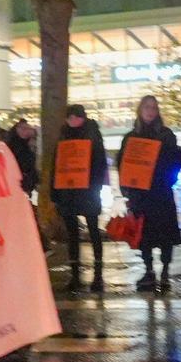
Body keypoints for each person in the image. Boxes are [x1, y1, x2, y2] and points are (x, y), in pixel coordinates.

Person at [119, 94, 181, 292]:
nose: (150, 110)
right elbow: (123, 165)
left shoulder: (166, 135)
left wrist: (168, 179)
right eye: (146, 107)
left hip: (160, 192)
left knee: (164, 234)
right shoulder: (130, 137)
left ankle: (164, 271)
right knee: (144, 235)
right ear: (140, 110)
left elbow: (175, 161)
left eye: (153, 107)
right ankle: (149, 270)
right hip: (140, 194)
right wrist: (127, 190)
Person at [51, 104, 109, 293]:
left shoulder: (91, 134)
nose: (72, 121)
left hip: (87, 189)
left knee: (93, 230)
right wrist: (55, 193)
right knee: (72, 233)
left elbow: (100, 162)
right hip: (68, 191)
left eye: (76, 117)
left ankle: (98, 274)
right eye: (70, 118)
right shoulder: (63, 135)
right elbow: (56, 164)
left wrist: (95, 185)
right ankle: (75, 274)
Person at [6, 118, 41, 197]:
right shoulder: (14, 146)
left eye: (28, 128)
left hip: (25, 183)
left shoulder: (28, 145)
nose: (26, 131)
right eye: (23, 128)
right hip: (17, 184)